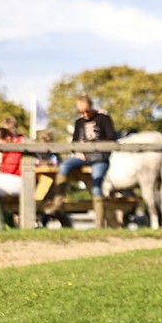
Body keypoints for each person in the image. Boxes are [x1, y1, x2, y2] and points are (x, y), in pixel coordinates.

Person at [47, 94, 116, 227]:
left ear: (91, 106)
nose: (85, 114)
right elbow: (74, 141)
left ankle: (99, 225)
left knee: (96, 186)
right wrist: (78, 151)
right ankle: (58, 204)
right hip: (82, 156)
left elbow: (111, 138)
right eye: (81, 112)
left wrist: (92, 147)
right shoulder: (79, 121)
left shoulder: (103, 118)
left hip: (99, 157)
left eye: (87, 111)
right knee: (63, 166)